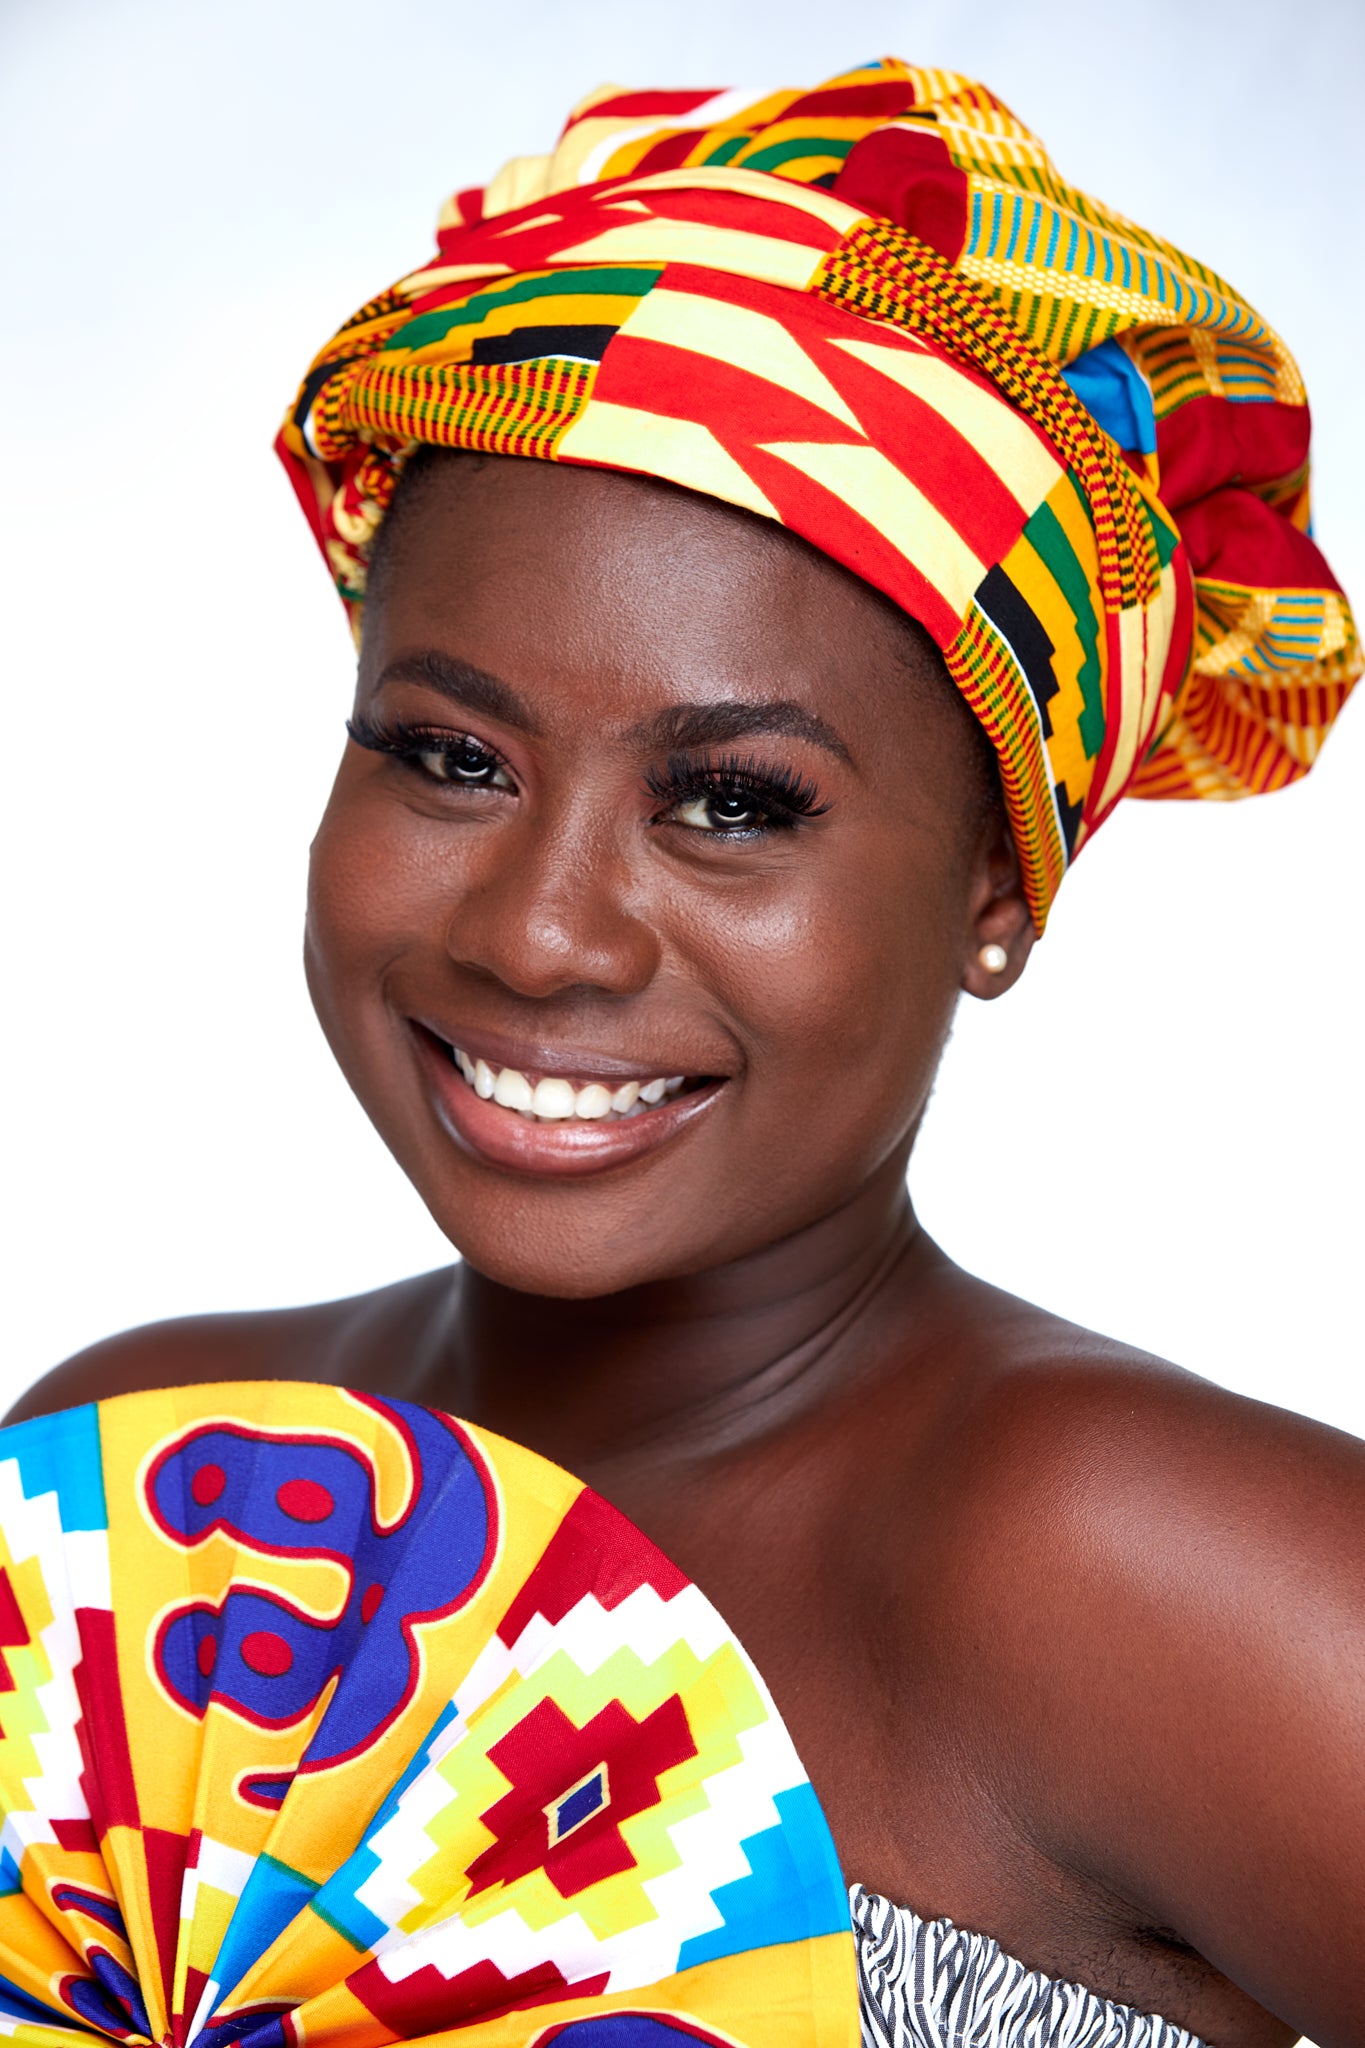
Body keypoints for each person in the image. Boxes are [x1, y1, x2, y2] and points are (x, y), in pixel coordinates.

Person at [11, 59, 1362, 2048]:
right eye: (448, 755)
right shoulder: (143, 1468)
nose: (537, 930)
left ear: (999, 880)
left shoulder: (1148, 1571)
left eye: (731, 801)